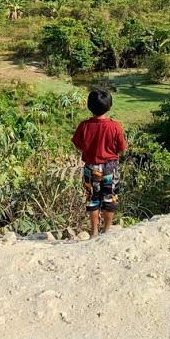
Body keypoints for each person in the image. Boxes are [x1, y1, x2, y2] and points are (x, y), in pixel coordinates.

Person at [72, 88, 127, 237]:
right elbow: (122, 148)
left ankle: (94, 231)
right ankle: (107, 231)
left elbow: (78, 144)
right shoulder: (115, 126)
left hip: (91, 167)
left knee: (93, 199)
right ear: (109, 106)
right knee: (110, 198)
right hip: (110, 167)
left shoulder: (84, 126)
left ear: (89, 106)